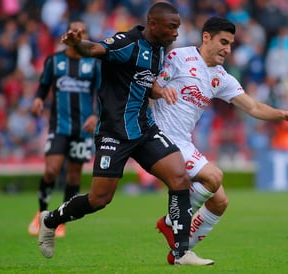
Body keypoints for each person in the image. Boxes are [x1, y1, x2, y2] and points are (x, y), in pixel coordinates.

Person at [37, 2, 213, 266]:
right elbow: (95, 49)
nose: (177, 32)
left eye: (177, 27)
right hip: (114, 132)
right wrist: (78, 44)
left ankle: (181, 253)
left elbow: (142, 78)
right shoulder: (126, 42)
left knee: (179, 178)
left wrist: (159, 90)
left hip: (144, 129)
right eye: (172, 27)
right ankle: (50, 219)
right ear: (153, 24)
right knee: (99, 199)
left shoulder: (158, 49)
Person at [152, 16, 288, 264]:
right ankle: (172, 223)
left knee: (220, 201)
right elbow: (152, 89)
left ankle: (180, 251)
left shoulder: (221, 77)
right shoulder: (179, 57)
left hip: (184, 142)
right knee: (214, 176)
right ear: (206, 37)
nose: (227, 49)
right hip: (164, 138)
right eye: (223, 41)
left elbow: (252, 107)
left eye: (231, 44)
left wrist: (282, 114)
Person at [28, 20, 101, 238]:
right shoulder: (54, 61)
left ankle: (60, 219)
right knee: (51, 170)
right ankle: (41, 212)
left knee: (74, 175)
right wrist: (38, 99)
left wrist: (95, 115)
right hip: (59, 125)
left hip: (82, 128)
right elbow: (43, 85)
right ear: (67, 35)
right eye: (75, 30)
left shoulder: (94, 63)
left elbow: (102, 94)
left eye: (84, 31)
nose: (79, 34)